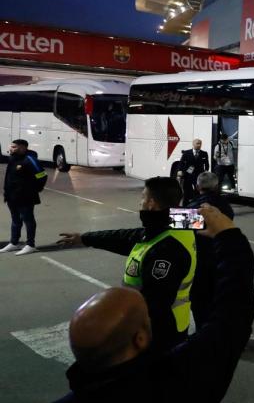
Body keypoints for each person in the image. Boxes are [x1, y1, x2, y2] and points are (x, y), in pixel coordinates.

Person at [8, 205, 254, 403]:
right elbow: (233, 314)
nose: (145, 206)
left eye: (149, 200)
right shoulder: (179, 383)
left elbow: (136, 233)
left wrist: (86, 238)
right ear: (140, 338)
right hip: (176, 328)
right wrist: (230, 237)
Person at [57, 177, 197, 352]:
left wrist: (124, 329)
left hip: (159, 332)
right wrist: (85, 238)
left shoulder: (166, 249)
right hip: (167, 325)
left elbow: (154, 304)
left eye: (143, 197)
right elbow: (126, 237)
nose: (140, 202)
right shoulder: (176, 222)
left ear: (151, 203)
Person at [185, 171, 235, 329]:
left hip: (200, 263)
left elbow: (175, 227)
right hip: (221, 261)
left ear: (197, 186)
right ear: (216, 186)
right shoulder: (225, 207)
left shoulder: (194, 207)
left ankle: (204, 332)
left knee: (200, 304)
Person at [2, 139, 46, 255]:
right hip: (12, 196)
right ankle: (14, 243)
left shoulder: (30, 159)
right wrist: (6, 193)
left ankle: (30, 245)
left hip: (25, 196)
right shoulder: (12, 159)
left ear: (23, 148)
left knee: (28, 220)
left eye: (14, 147)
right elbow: (8, 178)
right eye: (11, 146)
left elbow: (42, 175)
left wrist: (35, 189)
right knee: (15, 220)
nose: (11, 149)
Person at [178, 138, 209, 204]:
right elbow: (181, 162)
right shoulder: (186, 153)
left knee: (198, 190)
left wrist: (206, 171)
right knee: (187, 190)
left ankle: (197, 203)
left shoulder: (204, 153)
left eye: (200, 144)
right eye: (197, 143)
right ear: (193, 144)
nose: (199, 145)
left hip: (199, 174)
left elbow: (206, 164)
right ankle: (185, 204)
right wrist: (180, 170)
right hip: (188, 173)